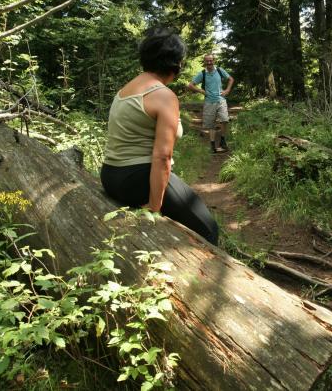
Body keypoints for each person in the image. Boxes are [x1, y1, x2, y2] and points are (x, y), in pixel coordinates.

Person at [100, 27, 219, 246]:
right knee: (209, 229)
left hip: (110, 176)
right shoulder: (163, 95)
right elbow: (163, 156)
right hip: (137, 179)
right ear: (176, 64)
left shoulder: (125, 89)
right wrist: (154, 207)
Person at [187, 54, 234, 154]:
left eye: (211, 60)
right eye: (207, 61)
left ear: (214, 61)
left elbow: (231, 79)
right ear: (204, 62)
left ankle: (222, 140)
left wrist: (227, 90)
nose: (209, 62)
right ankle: (212, 145)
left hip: (221, 100)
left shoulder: (220, 70)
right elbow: (190, 85)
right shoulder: (202, 73)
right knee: (211, 124)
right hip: (209, 102)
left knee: (225, 120)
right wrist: (201, 91)